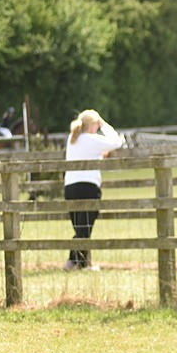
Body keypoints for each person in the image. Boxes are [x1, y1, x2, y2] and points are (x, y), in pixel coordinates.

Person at [63, 109, 123, 271]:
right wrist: (104, 124)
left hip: (70, 188)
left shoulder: (72, 139)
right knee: (85, 227)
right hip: (88, 187)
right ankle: (72, 261)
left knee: (79, 227)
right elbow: (117, 142)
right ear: (93, 125)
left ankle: (81, 263)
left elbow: (86, 154)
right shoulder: (92, 139)